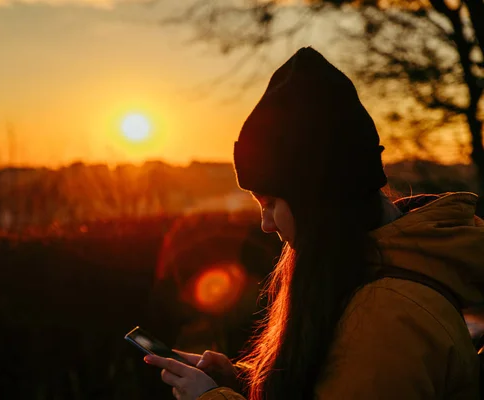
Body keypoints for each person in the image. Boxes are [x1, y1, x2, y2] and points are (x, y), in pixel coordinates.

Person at [143, 46, 484, 399]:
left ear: (317, 199)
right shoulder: (371, 276)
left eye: (271, 202)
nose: (266, 224)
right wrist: (240, 382)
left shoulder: (387, 316)